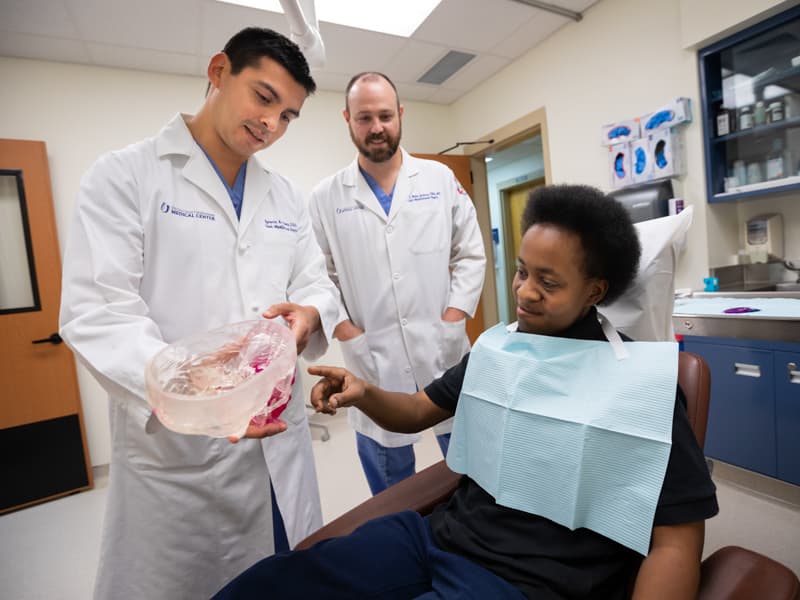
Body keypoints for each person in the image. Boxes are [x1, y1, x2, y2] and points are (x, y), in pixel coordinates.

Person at [213, 184, 719, 600]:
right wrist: (363, 391)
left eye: (549, 282)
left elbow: (676, 535)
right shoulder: (499, 350)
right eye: (522, 271)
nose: (523, 291)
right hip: (433, 540)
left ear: (595, 291)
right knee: (274, 584)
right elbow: (415, 411)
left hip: (523, 581)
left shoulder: (637, 385)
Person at [58, 28, 341, 599]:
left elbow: (315, 280)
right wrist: (194, 392)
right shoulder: (126, 176)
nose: (271, 125)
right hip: (180, 453)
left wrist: (310, 314)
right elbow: (100, 312)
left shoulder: (285, 195)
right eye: (263, 98)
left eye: (287, 116)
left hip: (277, 442)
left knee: (282, 575)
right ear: (218, 71)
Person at [308, 71, 486, 494]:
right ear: (347, 119)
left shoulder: (439, 179)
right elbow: (315, 275)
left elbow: (472, 252)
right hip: (373, 356)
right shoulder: (325, 196)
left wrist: (453, 315)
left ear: (400, 114)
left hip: (441, 347)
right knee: (392, 493)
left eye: (385, 115)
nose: (377, 127)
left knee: (471, 470)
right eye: (364, 117)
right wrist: (345, 330)